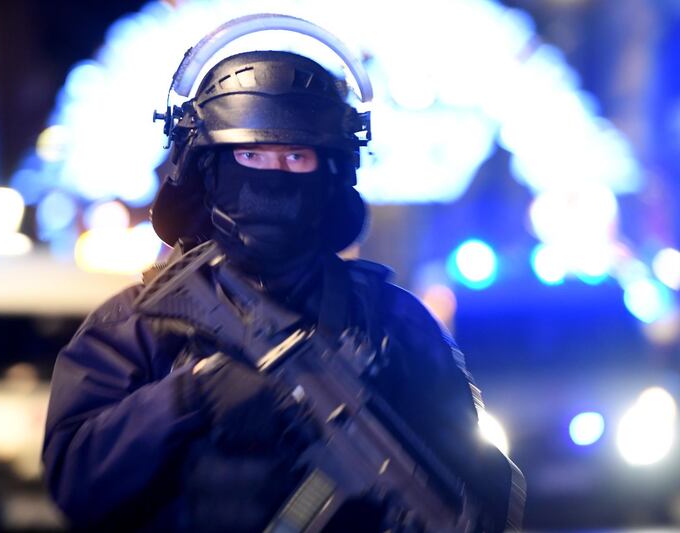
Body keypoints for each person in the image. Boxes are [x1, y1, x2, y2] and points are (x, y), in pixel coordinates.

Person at [42, 38, 524, 532]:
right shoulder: (138, 325)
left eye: (296, 157)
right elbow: (75, 483)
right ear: (208, 169)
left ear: (331, 175)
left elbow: (478, 477)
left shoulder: (391, 323)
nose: (274, 175)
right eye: (251, 154)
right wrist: (189, 397)